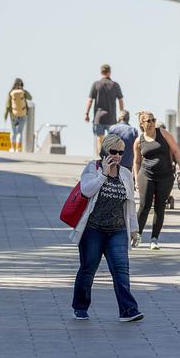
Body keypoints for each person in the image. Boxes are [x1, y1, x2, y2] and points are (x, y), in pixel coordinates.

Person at [69, 133, 143, 322]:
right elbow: (86, 190)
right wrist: (103, 173)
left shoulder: (125, 173)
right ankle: (80, 306)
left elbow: (130, 205)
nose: (118, 156)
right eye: (113, 151)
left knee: (121, 269)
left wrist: (134, 230)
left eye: (121, 152)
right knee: (88, 268)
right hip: (92, 230)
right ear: (104, 151)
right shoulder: (92, 169)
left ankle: (128, 310)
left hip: (117, 231)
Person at [132, 110, 180, 250]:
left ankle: (154, 239)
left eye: (153, 120)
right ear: (141, 124)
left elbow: (176, 151)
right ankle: (136, 236)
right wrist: (136, 179)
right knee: (144, 206)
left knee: (160, 207)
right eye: (148, 121)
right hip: (146, 175)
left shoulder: (163, 133)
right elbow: (136, 162)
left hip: (165, 176)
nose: (151, 123)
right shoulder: (139, 141)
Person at [85, 64, 124, 155]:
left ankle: (101, 157)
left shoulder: (96, 84)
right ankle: (110, 156)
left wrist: (86, 114)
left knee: (100, 139)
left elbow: (90, 100)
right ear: (109, 72)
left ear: (101, 72)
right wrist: (121, 114)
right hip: (111, 117)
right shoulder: (115, 85)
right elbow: (121, 100)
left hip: (99, 118)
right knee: (111, 139)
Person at [4, 78, 32, 152]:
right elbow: (30, 98)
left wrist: (5, 116)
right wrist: (24, 91)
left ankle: (12, 148)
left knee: (13, 132)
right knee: (20, 132)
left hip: (13, 115)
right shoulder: (23, 92)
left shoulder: (11, 93)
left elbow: (7, 106)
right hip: (23, 114)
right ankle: (18, 148)